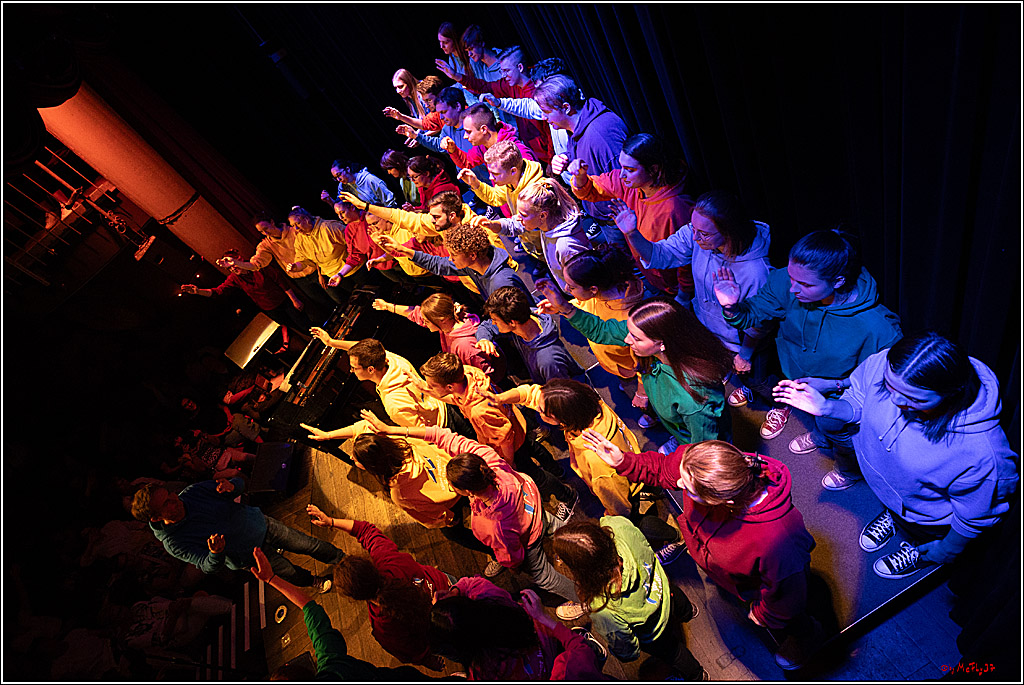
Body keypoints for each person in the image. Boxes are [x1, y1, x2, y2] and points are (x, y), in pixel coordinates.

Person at [772, 331, 1019, 580]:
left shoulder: (984, 455)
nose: (895, 400)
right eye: (889, 386)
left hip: (928, 520)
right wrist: (827, 407)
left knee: (919, 534)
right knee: (898, 513)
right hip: (893, 494)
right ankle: (894, 515)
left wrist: (946, 550)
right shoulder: (886, 363)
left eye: (913, 398)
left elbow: (973, 516)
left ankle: (916, 547)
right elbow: (859, 401)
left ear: (951, 394)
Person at [581, 432, 821, 670]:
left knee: (794, 621)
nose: (679, 483)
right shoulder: (701, 462)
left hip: (765, 589)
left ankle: (806, 639)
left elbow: (787, 595)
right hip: (733, 576)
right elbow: (665, 468)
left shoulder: (778, 541)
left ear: (724, 502)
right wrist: (624, 461)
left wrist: (765, 615)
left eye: (689, 489)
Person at [359, 414, 583, 614]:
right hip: (534, 507)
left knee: (545, 577)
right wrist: (393, 430)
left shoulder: (484, 524)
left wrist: (512, 565)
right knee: (558, 528)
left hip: (529, 538)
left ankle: (585, 599)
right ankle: (589, 549)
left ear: (466, 491)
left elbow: (510, 553)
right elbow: (444, 436)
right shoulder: (490, 459)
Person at [713, 229, 903, 443]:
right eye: (792, 278)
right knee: (811, 418)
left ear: (838, 282)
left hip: (835, 393)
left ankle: (827, 447)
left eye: (805, 284)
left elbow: (878, 382)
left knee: (832, 429)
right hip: (796, 376)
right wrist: (731, 307)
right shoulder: (788, 282)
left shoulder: (877, 328)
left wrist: (833, 385)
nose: (793, 289)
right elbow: (752, 316)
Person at [614, 190, 771, 409]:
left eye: (704, 234)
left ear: (729, 231)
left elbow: (759, 324)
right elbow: (661, 254)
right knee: (734, 369)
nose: (695, 238)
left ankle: (778, 406)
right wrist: (632, 234)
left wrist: (745, 354)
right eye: (693, 229)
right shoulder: (698, 236)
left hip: (742, 341)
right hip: (713, 329)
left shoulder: (755, 271)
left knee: (758, 379)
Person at [541, 291, 732, 453]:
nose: (626, 339)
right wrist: (565, 308)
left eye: (636, 338)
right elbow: (601, 330)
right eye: (629, 331)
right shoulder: (655, 345)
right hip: (685, 427)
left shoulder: (693, 399)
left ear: (661, 343)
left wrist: (687, 455)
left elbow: (706, 448)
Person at [418, 352, 577, 512]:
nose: (429, 387)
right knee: (534, 447)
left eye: (432, 385)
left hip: (511, 446)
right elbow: (455, 398)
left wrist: (508, 463)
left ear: (450, 387)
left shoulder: (479, 411)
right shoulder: (468, 373)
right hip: (516, 423)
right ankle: (558, 470)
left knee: (535, 474)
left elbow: (506, 439)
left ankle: (567, 495)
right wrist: (431, 391)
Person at [550, 518, 707, 680]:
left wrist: (620, 653)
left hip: (655, 632)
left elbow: (628, 650)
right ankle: (689, 612)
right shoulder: (619, 527)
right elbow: (608, 518)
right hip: (664, 591)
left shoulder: (602, 608)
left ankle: (698, 676)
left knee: (674, 652)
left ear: (582, 570)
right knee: (677, 600)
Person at [304, 506, 452, 670]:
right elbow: (366, 531)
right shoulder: (386, 558)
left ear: (355, 598)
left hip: (442, 632)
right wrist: (331, 521)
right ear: (369, 563)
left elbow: (411, 652)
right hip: (447, 587)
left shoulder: (383, 626)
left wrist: (429, 661)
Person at [248, 548, 430, 681]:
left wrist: (426, 659)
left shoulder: (381, 627)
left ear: (352, 597)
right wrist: (271, 579)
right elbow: (308, 605)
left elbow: (403, 649)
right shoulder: (334, 667)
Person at [130, 477, 343, 591]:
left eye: (170, 494)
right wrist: (215, 553)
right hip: (249, 556)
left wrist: (232, 485)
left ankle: (342, 560)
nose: (174, 499)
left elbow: (239, 483)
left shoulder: (191, 493)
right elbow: (206, 566)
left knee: (309, 545)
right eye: (166, 503)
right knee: (290, 573)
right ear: (156, 518)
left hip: (259, 524)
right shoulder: (173, 542)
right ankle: (312, 581)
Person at [490, 378, 642, 518]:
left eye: (542, 412)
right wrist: (500, 399)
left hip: (626, 490)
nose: (537, 410)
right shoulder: (587, 405)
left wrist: (613, 514)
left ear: (563, 417)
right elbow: (531, 394)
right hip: (632, 461)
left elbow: (616, 498)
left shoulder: (595, 457)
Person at [569, 132, 694, 293]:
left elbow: (686, 262)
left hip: (672, 287)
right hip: (650, 276)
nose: (622, 174)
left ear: (653, 169)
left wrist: (684, 294)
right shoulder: (628, 183)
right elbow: (591, 190)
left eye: (629, 169)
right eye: (622, 167)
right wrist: (580, 177)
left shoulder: (676, 208)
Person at [301, 413, 462, 529]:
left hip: (453, 497)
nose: (351, 458)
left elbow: (430, 513)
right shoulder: (395, 442)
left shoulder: (400, 492)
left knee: (452, 532)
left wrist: (449, 520)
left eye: (357, 459)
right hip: (455, 465)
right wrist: (328, 435)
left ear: (372, 465)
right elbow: (362, 427)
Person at [430, 578, 607, 680]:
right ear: (470, 603)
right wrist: (454, 594)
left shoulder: (482, 672)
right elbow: (471, 583)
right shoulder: (492, 597)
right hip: (549, 643)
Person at [306, 333, 472, 438]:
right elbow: (364, 349)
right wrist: (331, 342)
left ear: (370, 369)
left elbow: (425, 434)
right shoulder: (391, 360)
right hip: (446, 407)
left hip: (447, 427)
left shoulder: (394, 403)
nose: (351, 370)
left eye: (354, 367)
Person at [549, 246, 647, 409]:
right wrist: (564, 306)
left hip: (632, 370)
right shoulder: (600, 292)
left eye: (571, 287)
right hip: (617, 366)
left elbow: (644, 366)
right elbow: (584, 304)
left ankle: (651, 414)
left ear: (593, 289)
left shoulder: (628, 319)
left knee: (642, 402)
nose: (566, 289)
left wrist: (642, 393)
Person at [533, 74, 629, 239]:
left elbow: (627, 181)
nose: (544, 117)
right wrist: (565, 158)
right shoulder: (576, 128)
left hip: (618, 222)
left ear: (566, 107)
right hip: (605, 217)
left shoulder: (600, 134)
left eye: (547, 111)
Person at [376, 208, 531, 301]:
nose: (450, 258)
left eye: (454, 256)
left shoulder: (501, 282)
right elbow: (438, 264)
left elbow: (519, 318)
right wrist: (402, 250)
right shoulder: (472, 267)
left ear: (472, 255)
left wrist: (487, 330)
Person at [475, 176, 591, 293]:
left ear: (542, 215)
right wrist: (491, 224)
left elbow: (585, 284)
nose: (518, 218)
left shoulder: (566, 246)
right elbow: (515, 223)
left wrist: (565, 300)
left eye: (523, 215)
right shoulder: (547, 222)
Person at [441, 45, 554, 164]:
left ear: (520, 67)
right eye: (502, 71)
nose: (504, 75)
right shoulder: (509, 86)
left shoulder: (538, 93)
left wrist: (551, 159)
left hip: (547, 157)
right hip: (533, 150)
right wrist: (456, 76)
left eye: (507, 71)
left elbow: (549, 128)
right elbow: (485, 86)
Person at [219, 211, 335, 320]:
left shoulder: (293, 230)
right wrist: (236, 263)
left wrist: (320, 273)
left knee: (337, 297)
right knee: (326, 305)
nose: (265, 233)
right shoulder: (266, 245)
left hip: (317, 271)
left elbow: (314, 249)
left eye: (266, 228)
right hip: (300, 279)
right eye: (261, 232)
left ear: (272, 222)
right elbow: (255, 264)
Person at [179, 248, 310, 340]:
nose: (233, 268)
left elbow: (280, 280)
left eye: (233, 265)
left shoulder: (256, 266)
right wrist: (198, 291)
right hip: (271, 309)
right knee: (296, 328)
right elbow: (218, 292)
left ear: (239, 260)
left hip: (284, 301)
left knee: (305, 324)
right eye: (229, 268)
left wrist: (294, 299)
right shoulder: (234, 278)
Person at [481, 57, 571, 182]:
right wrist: (498, 102)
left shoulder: (583, 125)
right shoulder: (551, 106)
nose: (544, 116)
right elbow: (527, 106)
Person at [372, 292, 501, 378]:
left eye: (427, 321)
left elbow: (486, 376)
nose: (424, 323)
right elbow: (415, 313)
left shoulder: (464, 345)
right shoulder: (450, 321)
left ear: (442, 319)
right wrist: (387, 306)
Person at [477, 285, 584, 384]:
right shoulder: (524, 317)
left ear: (512, 322)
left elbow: (563, 393)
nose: (493, 323)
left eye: (495, 320)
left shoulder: (548, 360)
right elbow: (486, 326)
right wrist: (483, 339)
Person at [440, 103, 535, 171]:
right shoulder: (483, 148)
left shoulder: (518, 151)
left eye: (468, 132)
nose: (465, 136)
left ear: (484, 130)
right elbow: (467, 162)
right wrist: (453, 150)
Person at [286, 206, 351, 304]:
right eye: (293, 225)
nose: (296, 228)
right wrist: (295, 267)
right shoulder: (300, 240)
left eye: (298, 223)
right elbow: (303, 261)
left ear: (307, 219)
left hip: (350, 269)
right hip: (331, 275)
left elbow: (353, 241)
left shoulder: (328, 227)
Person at [321, 158, 396, 208]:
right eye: (335, 178)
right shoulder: (342, 187)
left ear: (347, 169)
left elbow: (390, 203)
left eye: (339, 174)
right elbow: (341, 208)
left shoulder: (369, 180)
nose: (338, 179)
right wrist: (329, 200)